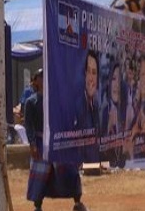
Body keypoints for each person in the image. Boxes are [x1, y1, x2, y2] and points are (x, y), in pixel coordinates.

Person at [24, 69, 87, 211]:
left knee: (69, 170)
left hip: (57, 141)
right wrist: (32, 144)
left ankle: (78, 202)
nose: (44, 78)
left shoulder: (58, 99)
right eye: (41, 76)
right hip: (40, 143)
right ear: (36, 81)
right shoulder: (31, 102)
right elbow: (29, 125)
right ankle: (38, 206)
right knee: (40, 174)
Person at [73, 50, 100, 163]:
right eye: (88, 71)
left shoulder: (95, 106)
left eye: (94, 72)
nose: (91, 78)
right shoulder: (77, 105)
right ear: (83, 74)